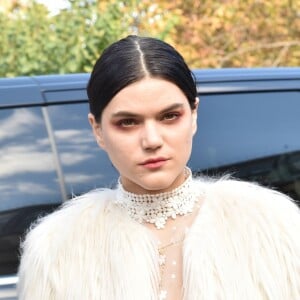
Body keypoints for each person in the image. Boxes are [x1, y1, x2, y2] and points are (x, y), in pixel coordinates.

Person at [18, 35, 300, 300]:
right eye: (127, 122)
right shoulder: (55, 249)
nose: (152, 140)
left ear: (193, 116)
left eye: (170, 116)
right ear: (98, 130)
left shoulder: (273, 227)